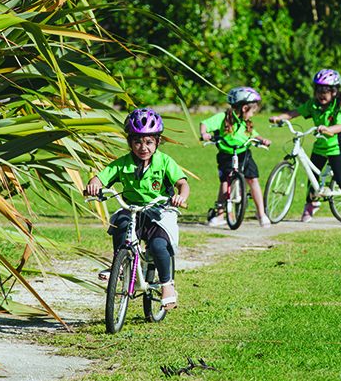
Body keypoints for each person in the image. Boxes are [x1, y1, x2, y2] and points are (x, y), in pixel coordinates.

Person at [85, 108, 189, 310]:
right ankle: (120, 264)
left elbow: (183, 184)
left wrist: (180, 196)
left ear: (157, 142)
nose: (143, 147)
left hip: (159, 213)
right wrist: (93, 185)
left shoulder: (165, 162)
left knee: (159, 246)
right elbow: (101, 177)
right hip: (132, 209)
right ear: (130, 143)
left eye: (149, 142)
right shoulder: (123, 164)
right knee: (120, 224)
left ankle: (167, 285)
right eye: (137, 142)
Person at [269, 69, 341, 226]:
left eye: (325, 91)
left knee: (340, 178)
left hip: (335, 147)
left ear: (334, 92)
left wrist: (328, 129)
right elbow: (295, 112)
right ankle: (311, 204)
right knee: (311, 175)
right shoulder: (313, 104)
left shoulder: (338, 106)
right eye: (319, 90)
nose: (321, 95)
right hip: (320, 146)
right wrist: (279, 117)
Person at [200, 87, 272, 228]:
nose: (252, 115)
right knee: (225, 182)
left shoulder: (244, 120)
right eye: (252, 111)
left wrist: (262, 139)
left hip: (244, 153)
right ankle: (220, 215)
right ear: (245, 108)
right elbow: (205, 124)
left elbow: (253, 134)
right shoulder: (222, 117)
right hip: (226, 155)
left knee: (253, 180)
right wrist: (204, 134)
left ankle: (261, 213)